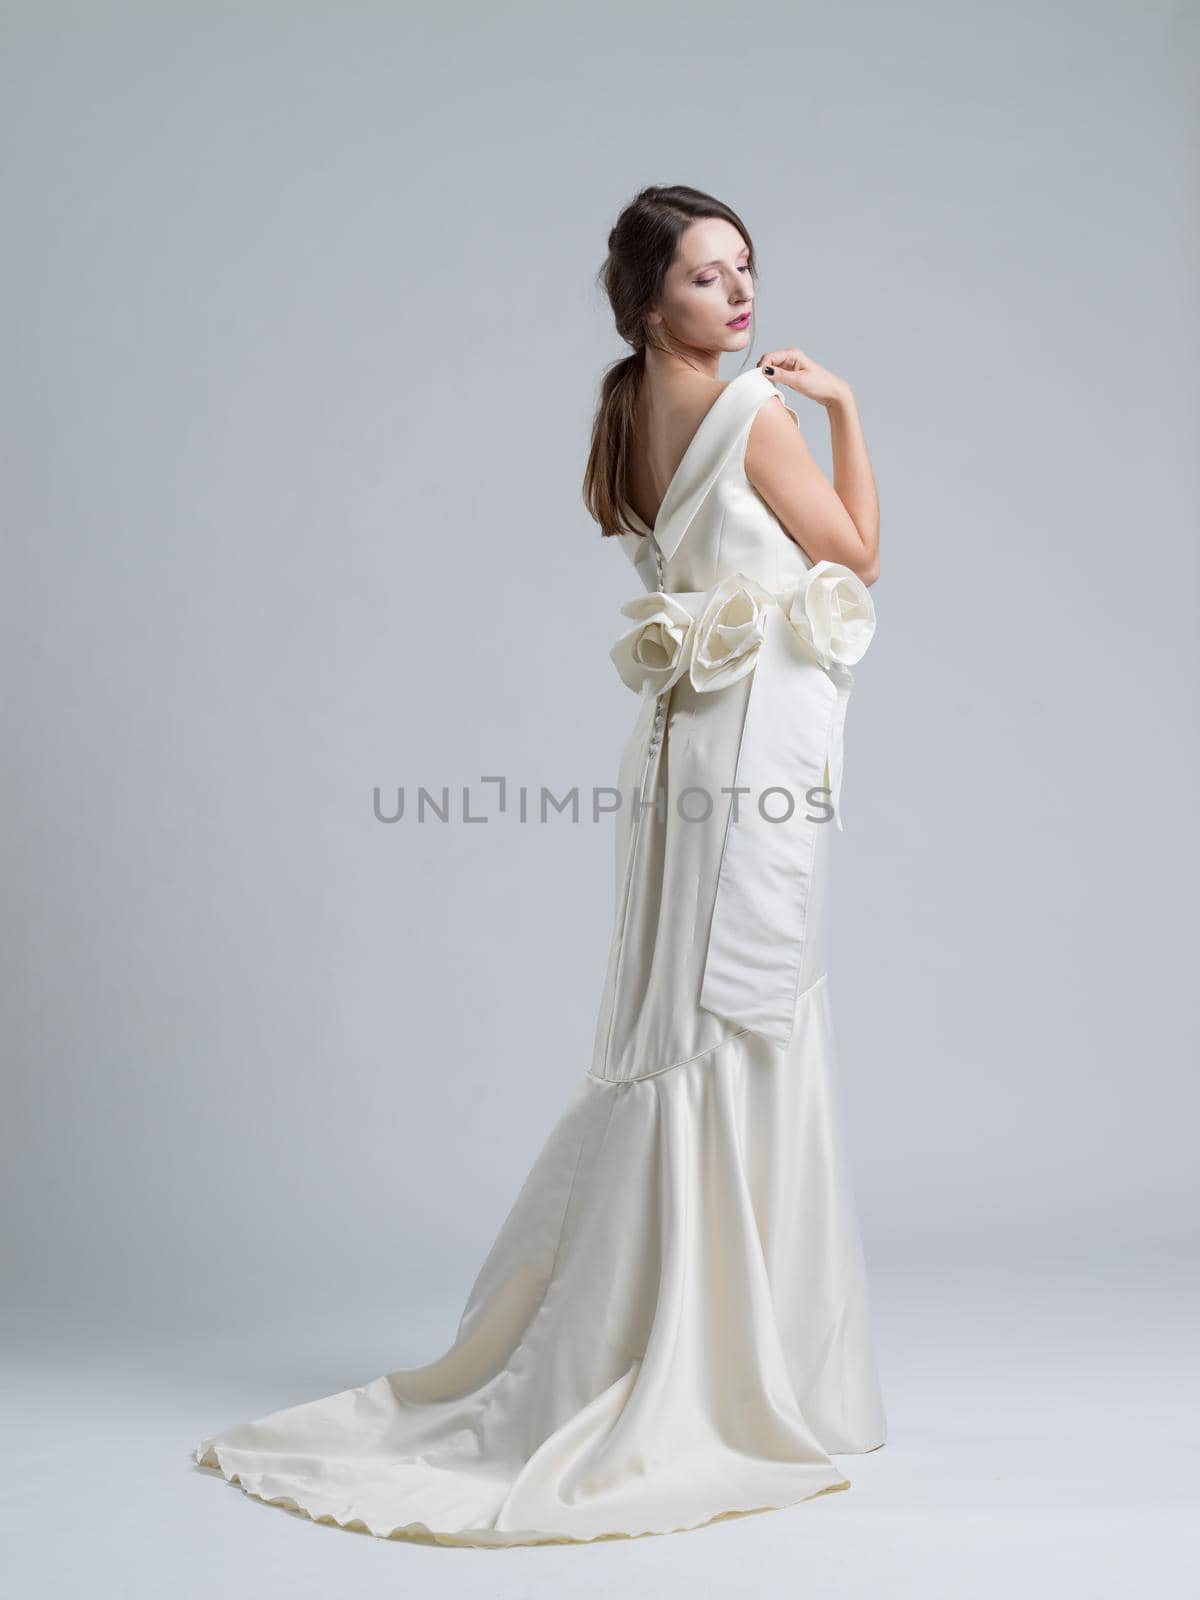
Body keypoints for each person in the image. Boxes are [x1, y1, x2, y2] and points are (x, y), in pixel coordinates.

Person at [193, 182, 886, 1547]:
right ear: (648, 303)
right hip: (738, 755)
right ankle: (730, 1363)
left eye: (744, 268)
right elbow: (858, 555)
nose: (737, 296)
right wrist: (849, 412)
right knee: (733, 1015)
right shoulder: (752, 414)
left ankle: (663, 1330)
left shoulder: (626, 411)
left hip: (680, 744)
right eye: (704, 277)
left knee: (675, 1021)